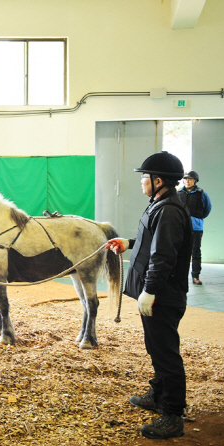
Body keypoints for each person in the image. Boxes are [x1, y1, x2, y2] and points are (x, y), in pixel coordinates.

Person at [104, 151, 192, 440]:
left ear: (157, 181)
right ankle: (158, 394)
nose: (141, 181)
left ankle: (173, 414)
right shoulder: (159, 205)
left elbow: (164, 256)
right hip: (158, 293)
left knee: (166, 352)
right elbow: (152, 242)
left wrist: (150, 291)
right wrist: (128, 243)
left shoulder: (167, 210)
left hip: (163, 295)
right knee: (156, 347)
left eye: (144, 177)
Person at [177, 171, 212, 285]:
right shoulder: (178, 194)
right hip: (181, 227)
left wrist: (198, 219)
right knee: (180, 251)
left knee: (195, 252)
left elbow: (207, 208)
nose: (187, 181)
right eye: (185, 179)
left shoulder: (202, 194)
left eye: (190, 179)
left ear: (195, 181)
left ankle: (195, 276)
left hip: (196, 228)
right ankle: (179, 276)